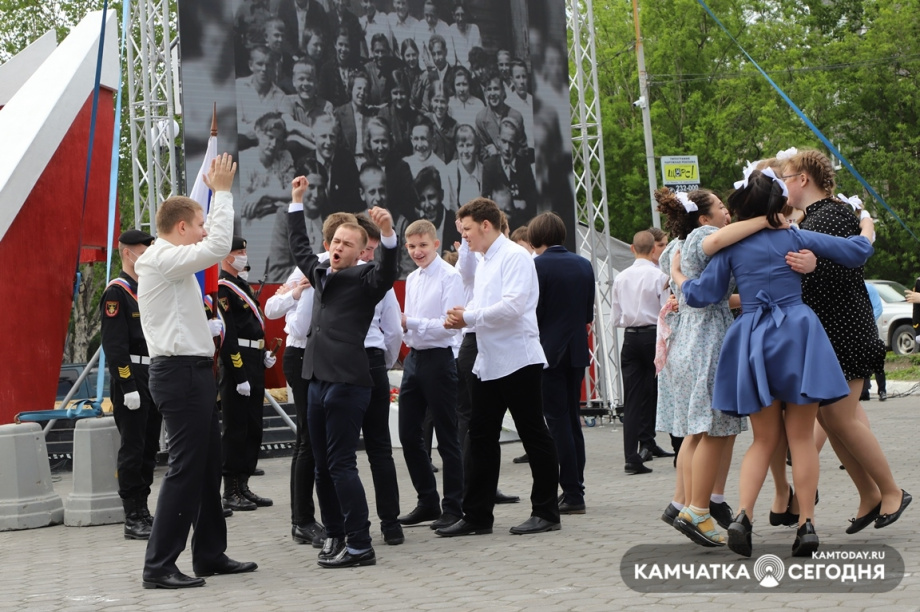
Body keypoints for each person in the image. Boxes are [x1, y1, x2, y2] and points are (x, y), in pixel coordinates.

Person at [675, 168, 876, 558]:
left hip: (753, 336)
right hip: (798, 332)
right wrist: (866, 225)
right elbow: (856, 251)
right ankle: (807, 526)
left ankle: (743, 516)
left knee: (764, 439)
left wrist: (680, 279)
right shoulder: (794, 234)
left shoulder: (732, 246)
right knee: (801, 438)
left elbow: (705, 295)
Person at [136, 154, 257, 589]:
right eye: (200, 222)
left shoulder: (170, 259)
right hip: (179, 375)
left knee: (208, 465)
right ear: (182, 226)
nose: (205, 229)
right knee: (186, 468)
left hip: (192, 372)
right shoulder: (160, 258)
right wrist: (222, 192)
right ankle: (159, 566)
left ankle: (208, 553)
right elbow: (218, 247)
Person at [783, 149, 910, 534]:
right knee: (832, 418)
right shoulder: (816, 216)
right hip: (829, 332)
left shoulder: (833, 213)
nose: (783, 183)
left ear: (803, 178)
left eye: (786, 176)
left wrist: (814, 266)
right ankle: (869, 493)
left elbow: (848, 269)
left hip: (845, 331)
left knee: (839, 417)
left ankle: (890, 491)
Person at [287, 177, 400, 568]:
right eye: (335, 241)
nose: (338, 247)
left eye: (347, 244)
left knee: (340, 464)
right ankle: (334, 534)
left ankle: (359, 544)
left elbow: (387, 271)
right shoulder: (320, 274)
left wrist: (387, 234)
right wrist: (296, 202)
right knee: (321, 465)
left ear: (359, 253)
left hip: (348, 384)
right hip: (316, 380)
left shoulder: (366, 280)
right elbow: (300, 248)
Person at [438, 198, 560, 537]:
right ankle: (478, 515)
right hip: (489, 360)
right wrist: (461, 320)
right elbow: (482, 303)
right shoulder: (484, 259)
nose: (464, 238)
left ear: (486, 225)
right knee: (480, 436)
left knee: (533, 432)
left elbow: (514, 306)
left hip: (518, 358)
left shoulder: (515, 256)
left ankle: (546, 511)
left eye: (466, 231)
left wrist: (470, 317)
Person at [652, 188, 763, 545]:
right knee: (712, 426)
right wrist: (766, 218)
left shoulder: (674, 246)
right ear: (702, 219)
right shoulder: (702, 237)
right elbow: (714, 259)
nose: (727, 213)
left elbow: (703, 292)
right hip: (708, 339)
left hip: (688, 337)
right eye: (719, 207)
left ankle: (683, 502)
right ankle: (697, 510)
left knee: (696, 431)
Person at [396, 219, 465, 531]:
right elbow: (409, 322)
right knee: (409, 434)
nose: (417, 251)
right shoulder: (412, 278)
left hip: (439, 359)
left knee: (448, 436)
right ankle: (427, 501)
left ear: (436, 244)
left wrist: (412, 323)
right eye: (411, 246)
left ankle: (455, 506)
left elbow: (449, 323)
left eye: (423, 245)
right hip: (414, 359)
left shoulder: (451, 276)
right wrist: (407, 327)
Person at [529, 212, 595, 514]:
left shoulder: (535, 267)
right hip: (577, 353)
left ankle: (571, 493)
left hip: (547, 353)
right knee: (572, 421)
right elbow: (587, 315)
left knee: (556, 423)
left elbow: (532, 312)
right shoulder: (584, 265)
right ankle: (575, 487)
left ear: (534, 236)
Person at [100, 229, 162, 541]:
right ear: (128, 253)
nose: (149, 254)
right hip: (133, 377)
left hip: (154, 374)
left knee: (150, 447)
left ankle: (144, 506)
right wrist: (127, 386)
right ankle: (132, 513)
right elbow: (115, 346)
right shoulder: (118, 293)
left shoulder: (147, 288)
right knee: (133, 448)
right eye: (144, 249)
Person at [263, 249, 325, 548]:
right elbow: (273, 308)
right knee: (308, 439)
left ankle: (327, 515)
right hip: (302, 356)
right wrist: (297, 294)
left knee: (322, 439)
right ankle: (302, 520)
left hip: (327, 358)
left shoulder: (360, 267)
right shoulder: (315, 265)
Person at [217, 237, 275, 511]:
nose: (243, 255)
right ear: (227, 257)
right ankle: (230, 490)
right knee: (236, 427)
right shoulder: (223, 288)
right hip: (236, 362)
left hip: (253, 358)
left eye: (244, 250)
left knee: (253, 426)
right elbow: (228, 335)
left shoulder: (242, 286)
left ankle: (244, 484)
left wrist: (263, 352)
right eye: (239, 251)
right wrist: (239, 373)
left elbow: (253, 325)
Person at [610, 231, 672, 475]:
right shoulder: (659, 276)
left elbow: (616, 317)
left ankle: (631, 455)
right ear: (654, 250)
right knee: (662, 388)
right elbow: (667, 311)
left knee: (633, 397)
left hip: (631, 337)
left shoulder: (621, 277)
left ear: (632, 249)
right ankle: (673, 442)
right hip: (653, 335)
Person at [480, 118, 537, 232]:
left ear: (517, 145)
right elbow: (485, 198)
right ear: (498, 141)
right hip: (497, 225)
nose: (507, 148)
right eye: (504, 142)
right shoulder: (489, 165)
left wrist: (524, 204)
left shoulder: (524, 165)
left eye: (511, 143)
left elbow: (532, 200)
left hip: (520, 227)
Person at [861, 280, 887, 401]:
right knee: (861, 360)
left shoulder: (869, 288)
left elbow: (878, 308)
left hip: (870, 328)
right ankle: (864, 390)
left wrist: (866, 322)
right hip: (855, 331)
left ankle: (882, 390)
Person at [447, 1, 481, 69]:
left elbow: (478, 53)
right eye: (457, 15)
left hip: (474, 68)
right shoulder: (451, 30)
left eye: (462, 15)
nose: (460, 19)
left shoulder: (474, 29)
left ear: (467, 15)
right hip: (458, 69)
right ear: (453, 16)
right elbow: (451, 57)